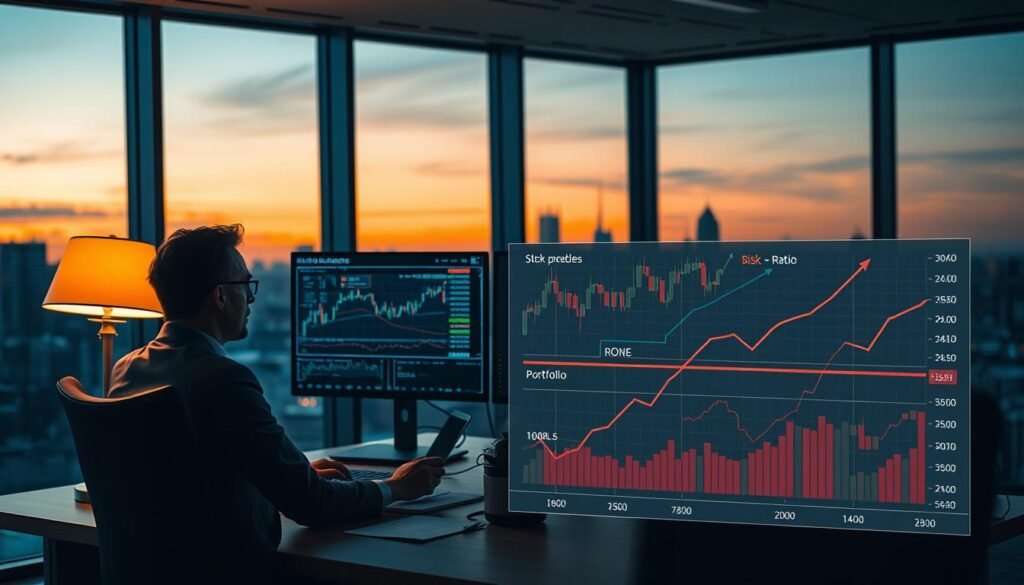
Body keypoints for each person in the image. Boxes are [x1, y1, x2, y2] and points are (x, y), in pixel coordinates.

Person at [109, 224, 445, 571]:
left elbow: (190, 483)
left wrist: (288, 476)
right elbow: (311, 505)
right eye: (245, 286)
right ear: (221, 295)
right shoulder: (224, 380)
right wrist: (395, 488)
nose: (252, 298)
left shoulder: (127, 369)